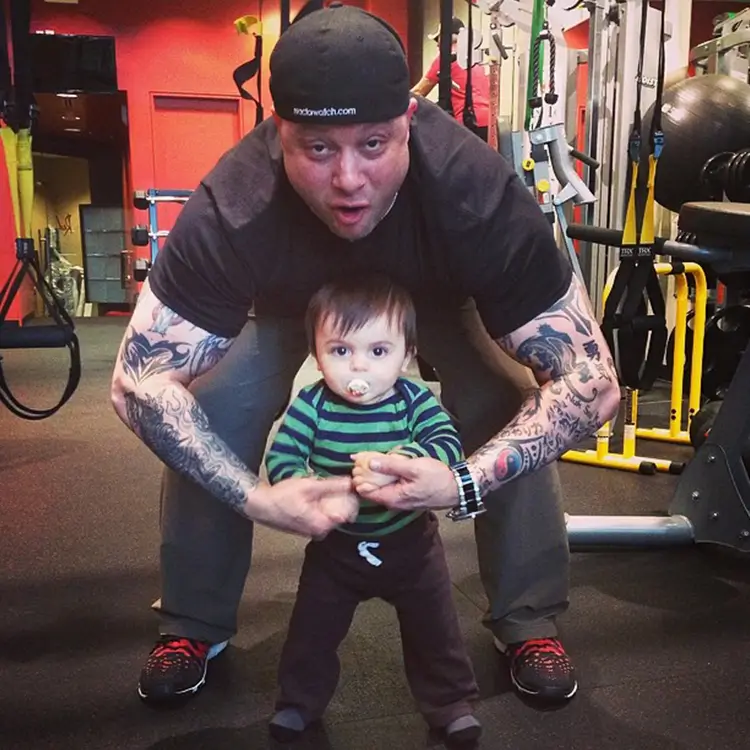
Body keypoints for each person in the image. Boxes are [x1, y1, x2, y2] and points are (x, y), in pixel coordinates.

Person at [110, 4, 619, 710]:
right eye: (317, 149)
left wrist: (462, 484)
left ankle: (527, 618)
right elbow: (138, 386)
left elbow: (590, 385)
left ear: (408, 122)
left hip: (438, 296)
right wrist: (256, 496)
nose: (349, 179)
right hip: (287, 301)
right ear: (278, 134)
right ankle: (193, 622)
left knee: (502, 402)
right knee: (216, 411)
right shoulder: (236, 202)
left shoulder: (476, 196)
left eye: (374, 145)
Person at [265, 275, 481, 745]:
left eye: (378, 352)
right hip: (335, 549)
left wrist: (403, 461)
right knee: (311, 634)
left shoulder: (414, 399)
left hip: (412, 546)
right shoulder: (312, 405)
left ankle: (450, 702)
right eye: (340, 351)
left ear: (406, 355)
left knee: (436, 631)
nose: (357, 365)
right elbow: (282, 457)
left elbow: (446, 443)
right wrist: (318, 489)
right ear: (315, 353)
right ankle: (298, 702)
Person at [410, 16, 493, 141]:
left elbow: (419, 92)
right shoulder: (477, 57)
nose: (437, 46)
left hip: (468, 122)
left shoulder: (446, 59)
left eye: (438, 41)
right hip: (490, 122)